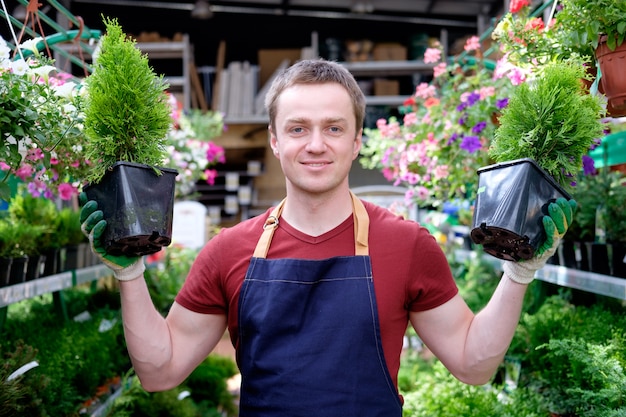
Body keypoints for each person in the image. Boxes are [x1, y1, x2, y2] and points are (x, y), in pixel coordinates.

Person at [80, 58, 576, 416]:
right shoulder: (228, 251)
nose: (316, 145)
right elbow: (159, 372)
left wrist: (517, 275)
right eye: (297, 129)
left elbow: (473, 365)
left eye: (334, 128)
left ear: (357, 141)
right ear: (275, 140)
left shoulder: (408, 245)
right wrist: (130, 274)